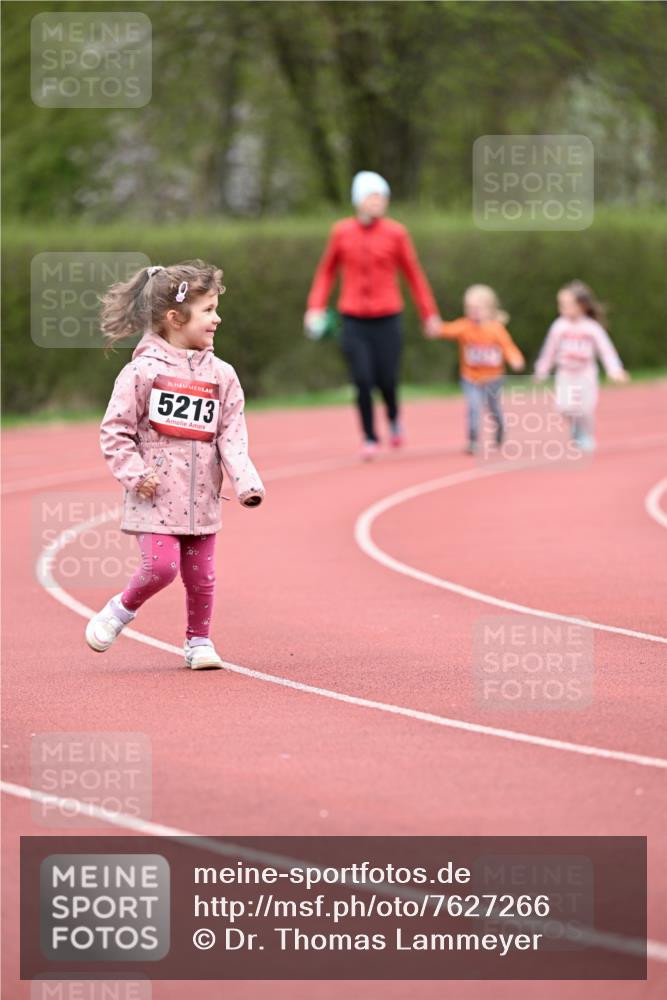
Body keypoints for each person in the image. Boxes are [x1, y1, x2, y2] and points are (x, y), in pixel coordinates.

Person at [85, 260, 265, 670]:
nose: (217, 318)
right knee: (161, 568)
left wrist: (246, 482)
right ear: (174, 317)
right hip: (154, 496)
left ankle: (199, 642)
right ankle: (120, 609)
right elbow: (115, 431)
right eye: (207, 310)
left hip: (202, 497)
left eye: (217, 309)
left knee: (203, 578)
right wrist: (135, 475)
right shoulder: (140, 372)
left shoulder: (223, 376)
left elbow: (231, 434)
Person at [304, 171, 441, 460]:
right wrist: (315, 307)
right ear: (359, 200)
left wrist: (430, 315)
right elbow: (326, 272)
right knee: (362, 379)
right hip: (353, 318)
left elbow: (414, 275)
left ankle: (393, 417)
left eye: (382, 196)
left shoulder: (396, 233)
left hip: (388, 317)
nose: (379, 202)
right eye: (373, 196)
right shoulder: (341, 232)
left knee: (387, 379)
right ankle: (369, 436)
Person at [426, 284, 525, 454]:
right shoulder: (464, 326)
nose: (473, 312)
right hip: (471, 377)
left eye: (477, 308)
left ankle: (500, 427)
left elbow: (508, 347)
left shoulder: (496, 329)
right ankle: (472, 439)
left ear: (488, 309)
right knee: (473, 406)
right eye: (469, 308)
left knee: (493, 407)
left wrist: (515, 359)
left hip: (493, 378)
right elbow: (446, 329)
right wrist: (435, 329)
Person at [534, 280, 629, 451]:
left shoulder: (591, 328)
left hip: (585, 374)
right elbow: (549, 350)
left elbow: (606, 350)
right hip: (565, 374)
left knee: (585, 408)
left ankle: (585, 435)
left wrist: (615, 370)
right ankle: (576, 429)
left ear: (582, 305)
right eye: (561, 304)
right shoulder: (559, 326)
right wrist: (542, 369)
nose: (562, 308)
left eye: (567, 304)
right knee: (564, 407)